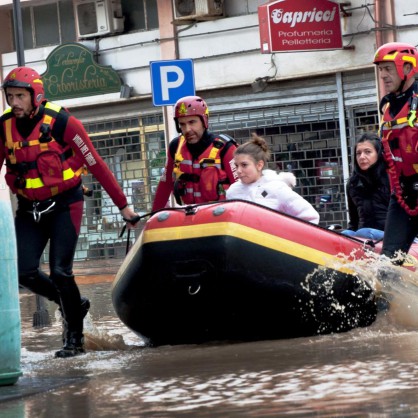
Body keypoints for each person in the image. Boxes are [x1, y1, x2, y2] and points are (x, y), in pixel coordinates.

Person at [0, 67, 138, 358]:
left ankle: (74, 339)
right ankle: (73, 304)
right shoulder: (5, 127)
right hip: (30, 208)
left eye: (20, 96)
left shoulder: (63, 122)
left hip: (66, 204)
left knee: (61, 272)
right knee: (23, 271)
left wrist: (123, 205)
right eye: (10, 96)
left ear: (35, 95)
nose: (15, 102)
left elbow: (97, 165)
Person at [373, 42, 418, 263]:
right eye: (380, 69)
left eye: (388, 68)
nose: (383, 75)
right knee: (387, 263)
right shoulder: (388, 107)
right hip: (403, 193)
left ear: (408, 68)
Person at [152, 95, 238, 211]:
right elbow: (165, 184)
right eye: (182, 124)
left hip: (221, 220)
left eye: (192, 122)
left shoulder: (225, 148)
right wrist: (153, 215)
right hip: (190, 219)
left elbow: (241, 189)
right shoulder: (175, 147)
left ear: (204, 121)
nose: (187, 129)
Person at [226, 133, 320, 224]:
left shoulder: (276, 188)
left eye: (244, 165)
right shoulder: (233, 191)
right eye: (236, 165)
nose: (238, 170)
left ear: (259, 165)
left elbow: (310, 217)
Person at [341, 132, 390, 241]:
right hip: (364, 238)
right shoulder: (353, 184)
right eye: (358, 153)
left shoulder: (392, 178)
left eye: (367, 152)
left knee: (364, 232)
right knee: (345, 234)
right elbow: (354, 221)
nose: (362, 157)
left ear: (379, 154)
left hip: (395, 238)